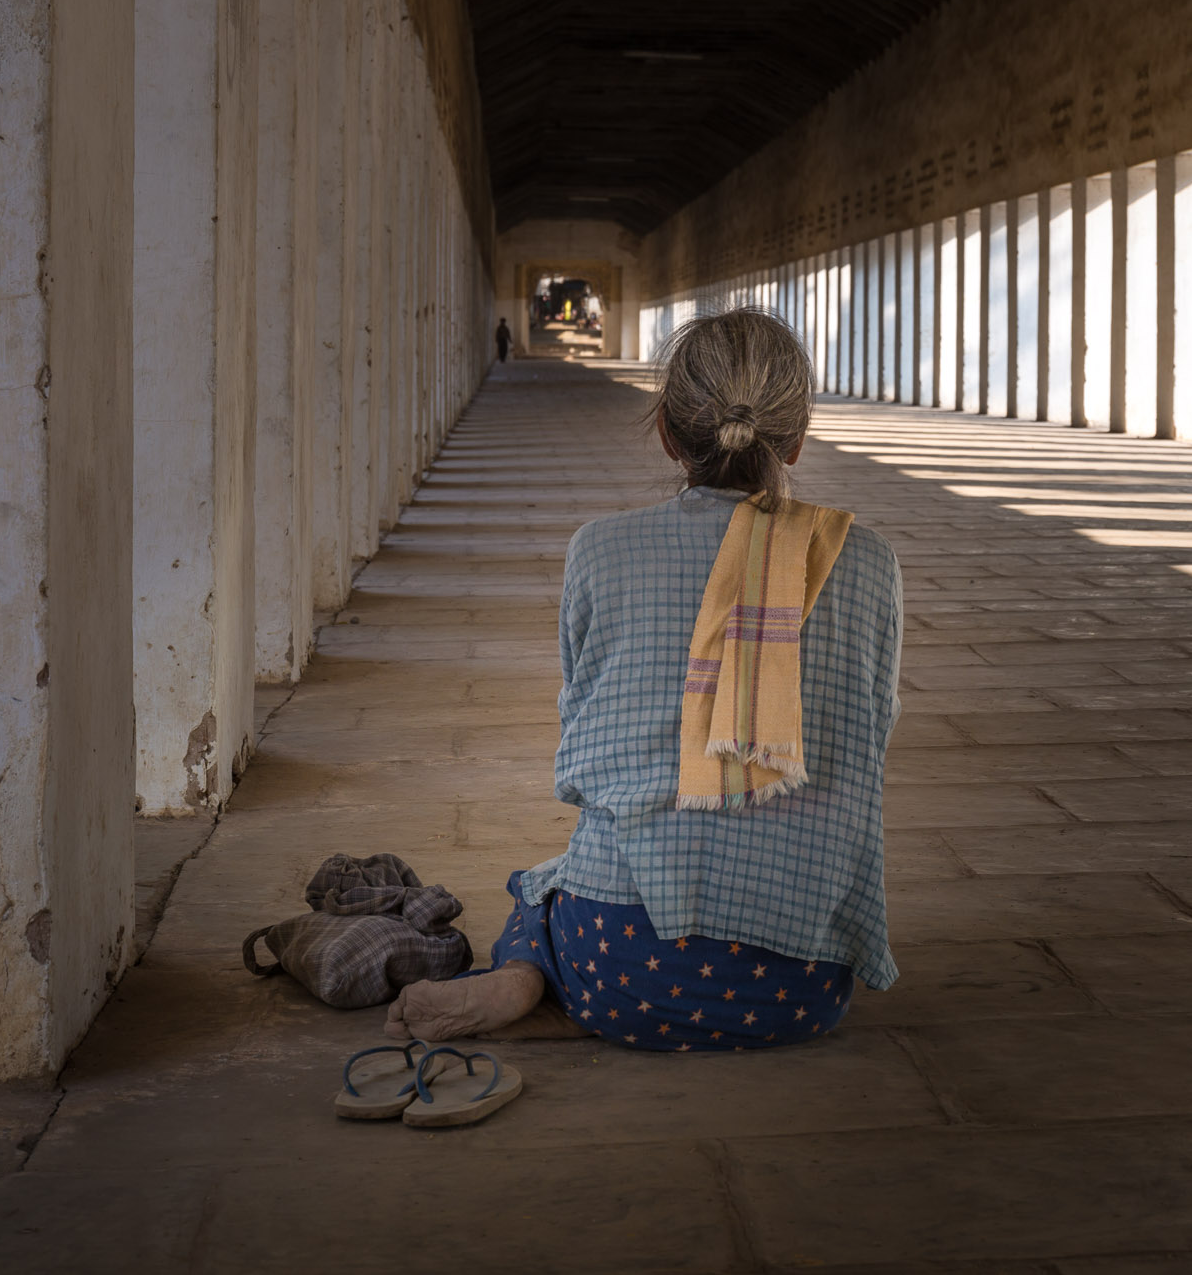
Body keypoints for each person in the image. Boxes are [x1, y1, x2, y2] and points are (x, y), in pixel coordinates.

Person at [386, 307, 902, 1050]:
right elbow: (870, 733)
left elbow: (584, 731)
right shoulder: (869, 561)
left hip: (617, 963)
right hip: (801, 983)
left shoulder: (600, 550)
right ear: (796, 438)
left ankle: (529, 970)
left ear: (666, 431)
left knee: (543, 882)